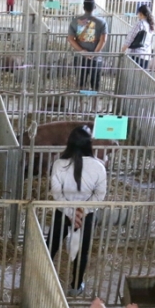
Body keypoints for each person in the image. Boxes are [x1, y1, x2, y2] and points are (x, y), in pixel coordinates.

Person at [47, 126, 107, 297]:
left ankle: (42, 277)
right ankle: (76, 285)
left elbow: (56, 193)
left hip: (62, 212)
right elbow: (100, 194)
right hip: (86, 215)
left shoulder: (59, 164)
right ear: (90, 144)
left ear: (69, 143)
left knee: (51, 246)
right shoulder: (99, 167)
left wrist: (70, 211)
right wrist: (82, 210)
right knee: (83, 249)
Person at [67, 0, 108, 90]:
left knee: (80, 82)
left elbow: (70, 39)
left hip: (80, 57)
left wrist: (82, 51)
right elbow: (103, 40)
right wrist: (94, 53)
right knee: (95, 83)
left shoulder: (75, 21)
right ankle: (94, 99)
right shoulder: (102, 22)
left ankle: (81, 99)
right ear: (95, 7)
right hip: (96, 58)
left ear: (83, 7)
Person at [121, 4, 155, 69]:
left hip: (136, 55)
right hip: (146, 56)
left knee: (133, 73)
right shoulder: (151, 25)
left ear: (141, 13)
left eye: (138, 13)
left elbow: (131, 37)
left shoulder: (140, 23)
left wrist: (123, 49)